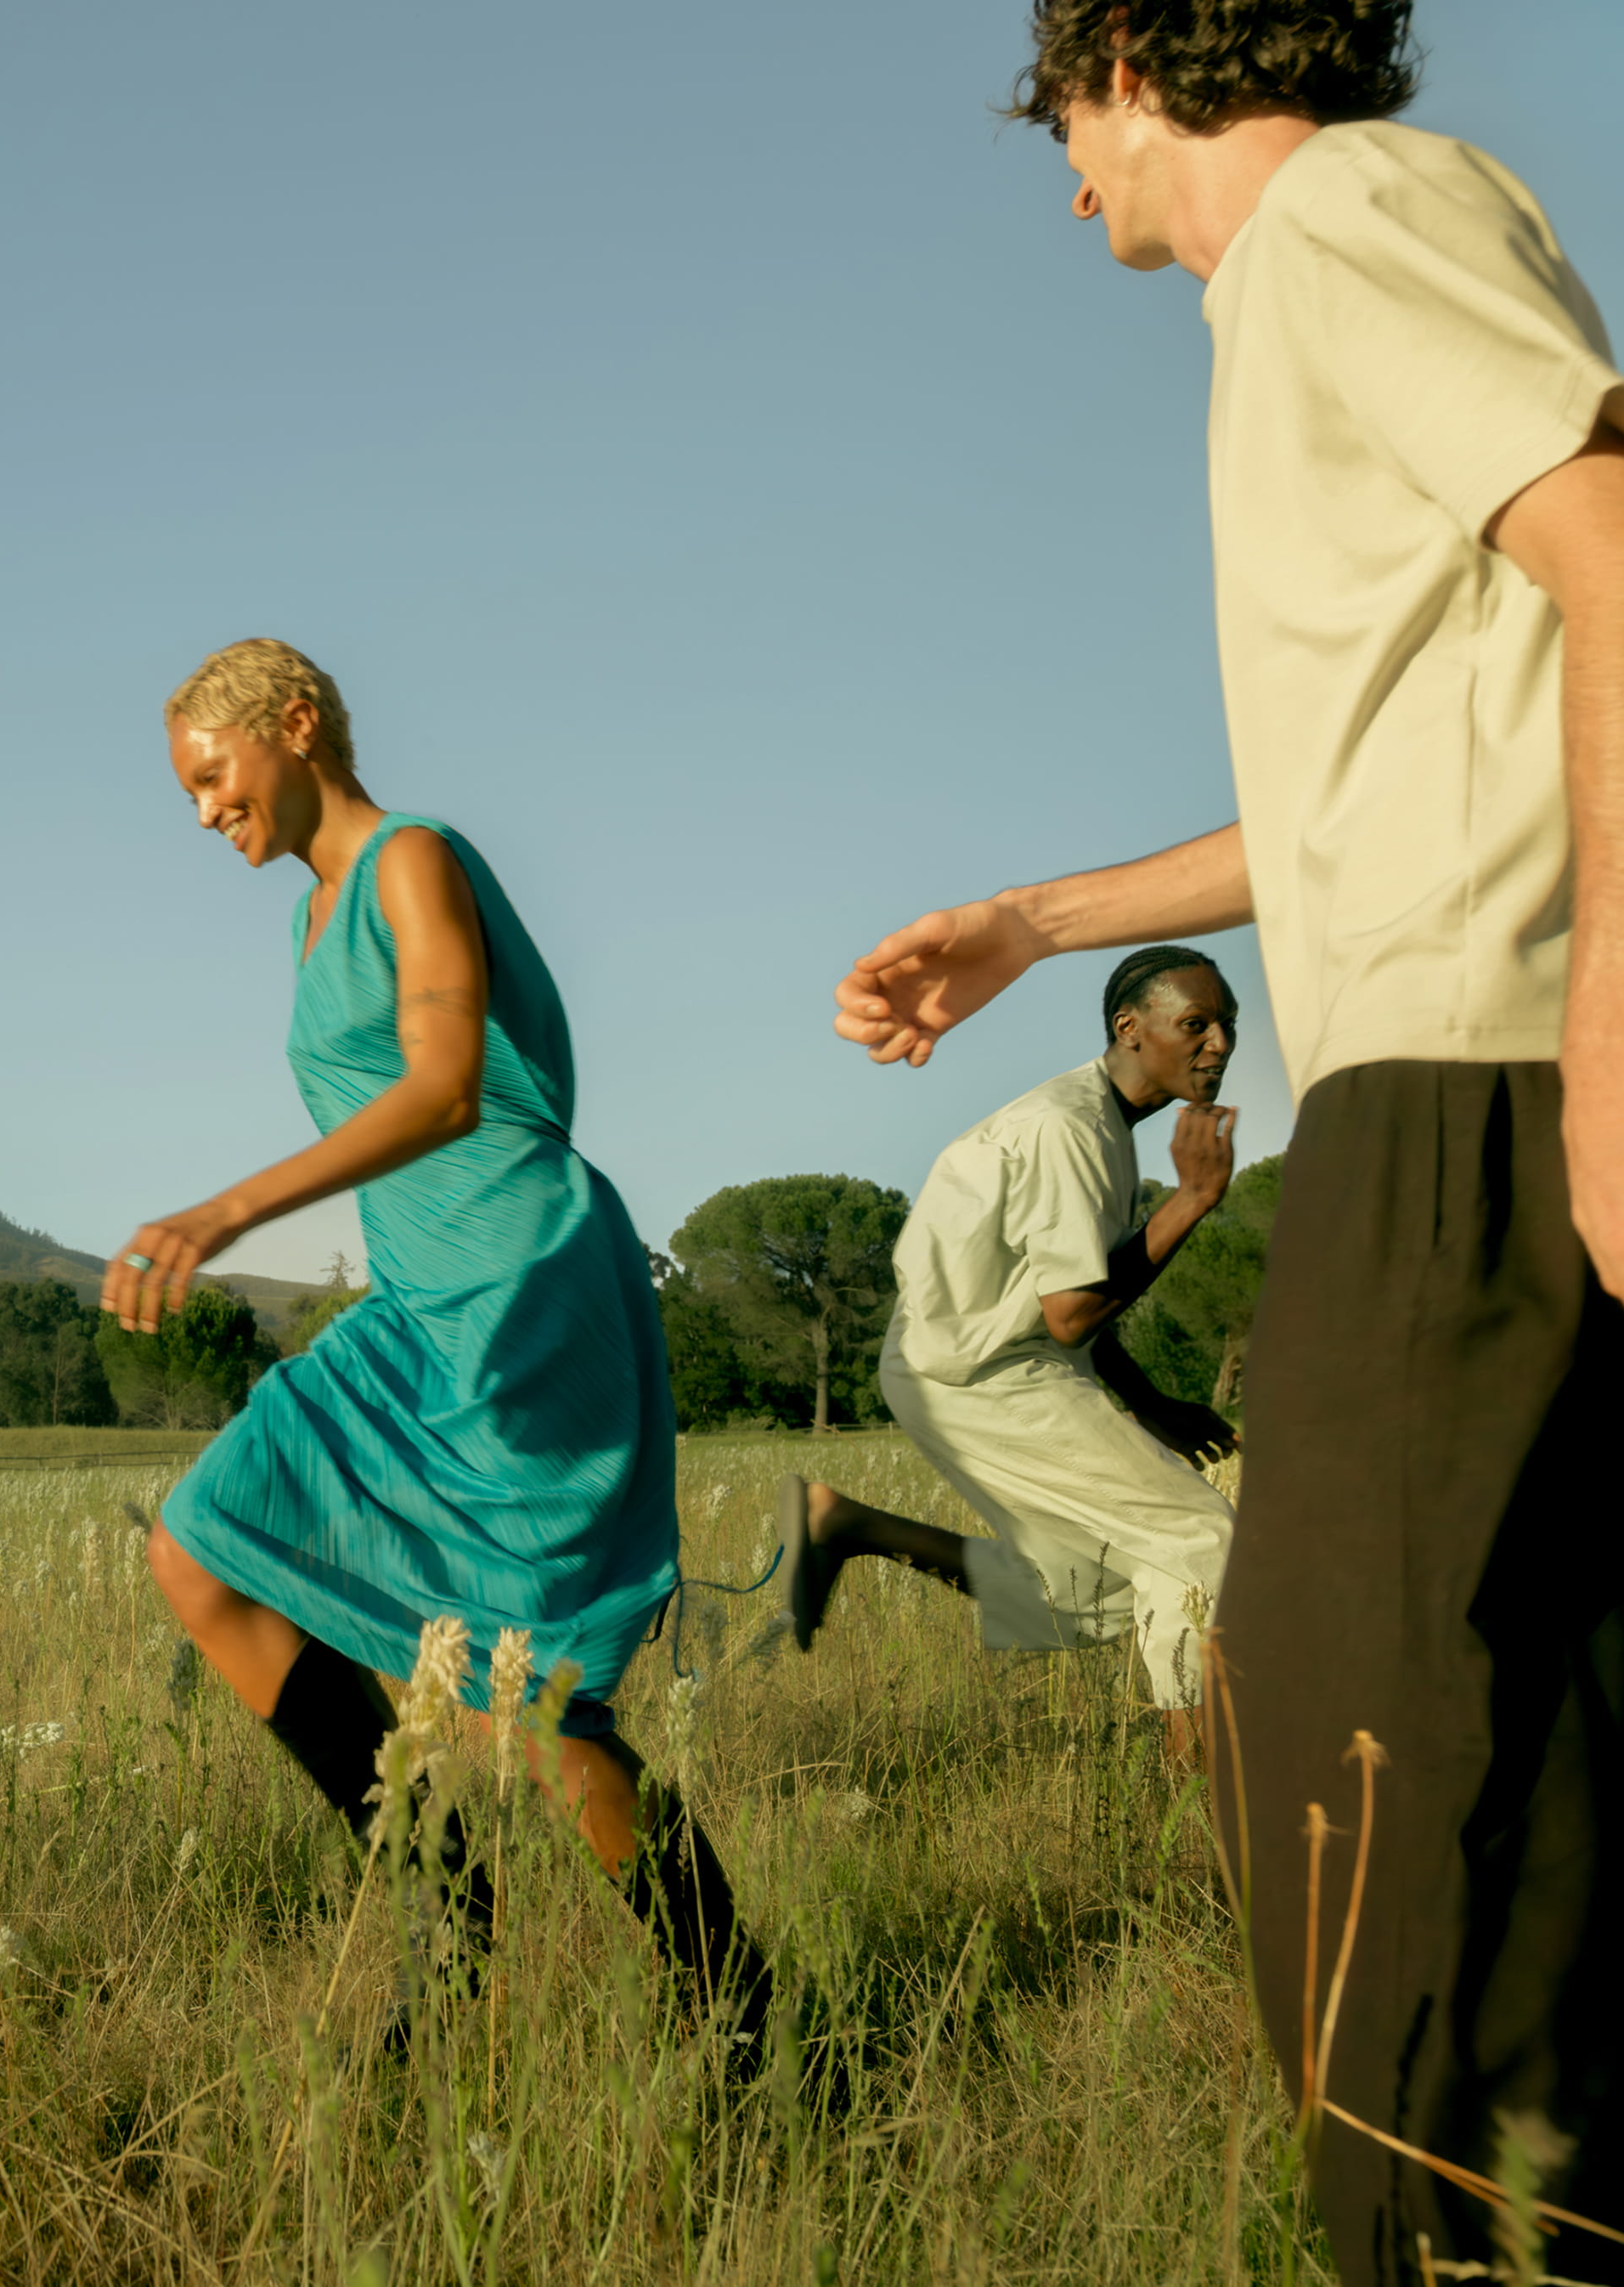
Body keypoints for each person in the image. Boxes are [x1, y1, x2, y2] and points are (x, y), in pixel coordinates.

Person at [832, 5, 1624, 2271]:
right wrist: (1036, 918)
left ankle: (1438, 2242)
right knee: (1523, 1722)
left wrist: (1604, 1009)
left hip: (1475, 1085)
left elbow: (1613, 547)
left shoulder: (1345, 214)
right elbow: (1354, 780)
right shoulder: (1310, 275)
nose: (1058, 173)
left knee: (1345, 1750)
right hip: (1448, 1075)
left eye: (1055, 119)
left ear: (1125, 60)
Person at [111, 637, 770, 2041]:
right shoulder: (308, 920)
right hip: (419, 1300)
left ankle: (742, 2009)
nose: (201, 809)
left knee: (529, 1701)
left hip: (524, 1284)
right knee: (199, 1543)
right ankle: (439, 1899)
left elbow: (447, 1088)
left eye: (210, 774)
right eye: (185, 793)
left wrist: (227, 1209)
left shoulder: (411, 858)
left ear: (292, 728)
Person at [782, 947, 1243, 1765]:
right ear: (1128, 1029)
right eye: (1197, 1023)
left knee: (1091, 1588)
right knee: (1199, 1536)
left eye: (1227, 1026)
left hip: (960, 1360)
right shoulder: (1070, 1129)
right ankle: (1202, 1794)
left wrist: (1151, 1404)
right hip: (978, 1374)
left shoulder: (1098, 1124)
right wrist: (1194, 1201)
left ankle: (845, 1525)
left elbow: (1060, 1299)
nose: (1219, 1045)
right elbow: (1069, 1316)